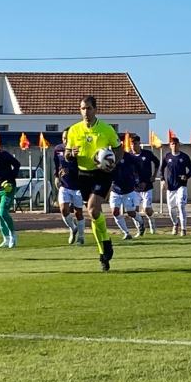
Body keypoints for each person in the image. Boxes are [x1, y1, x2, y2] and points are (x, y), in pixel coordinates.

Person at [65, 95, 124, 271]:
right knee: (94, 214)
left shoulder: (106, 129)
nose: (86, 112)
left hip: (102, 173)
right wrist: (71, 154)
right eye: (83, 108)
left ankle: (103, 249)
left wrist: (113, 164)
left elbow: (119, 149)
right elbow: (67, 154)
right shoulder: (74, 130)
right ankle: (104, 248)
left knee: (92, 208)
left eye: (89, 108)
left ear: (96, 110)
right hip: (83, 174)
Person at [53, 129, 86, 245]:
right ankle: (73, 228)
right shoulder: (58, 149)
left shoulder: (78, 149)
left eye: (67, 137)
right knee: (63, 209)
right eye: (63, 138)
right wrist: (57, 176)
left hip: (78, 186)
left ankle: (81, 237)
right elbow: (57, 165)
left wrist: (71, 170)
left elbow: (84, 166)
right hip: (64, 185)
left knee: (78, 213)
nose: (65, 140)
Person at [160, 137, 191, 235]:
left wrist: (186, 176)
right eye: (172, 144)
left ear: (179, 145)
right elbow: (161, 169)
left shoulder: (184, 157)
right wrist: (162, 180)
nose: (174, 146)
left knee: (181, 205)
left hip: (181, 186)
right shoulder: (167, 156)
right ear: (169, 145)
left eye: (176, 144)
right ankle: (175, 224)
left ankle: (183, 229)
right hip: (171, 187)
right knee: (171, 209)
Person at [109, 151, 145, 239]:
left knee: (131, 213)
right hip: (115, 190)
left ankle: (141, 222)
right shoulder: (109, 156)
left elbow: (139, 166)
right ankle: (126, 233)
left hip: (128, 190)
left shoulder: (129, 156)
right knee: (115, 212)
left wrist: (140, 180)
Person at [130, 134, 161, 234]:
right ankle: (140, 228)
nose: (133, 146)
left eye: (135, 144)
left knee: (147, 209)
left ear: (139, 143)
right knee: (133, 210)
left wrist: (154, 175)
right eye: (131, 144)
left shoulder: (147, 154)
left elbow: (157, 163)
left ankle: (151, 222)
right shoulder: (129, 157)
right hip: (135, 188)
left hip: (147, 187)